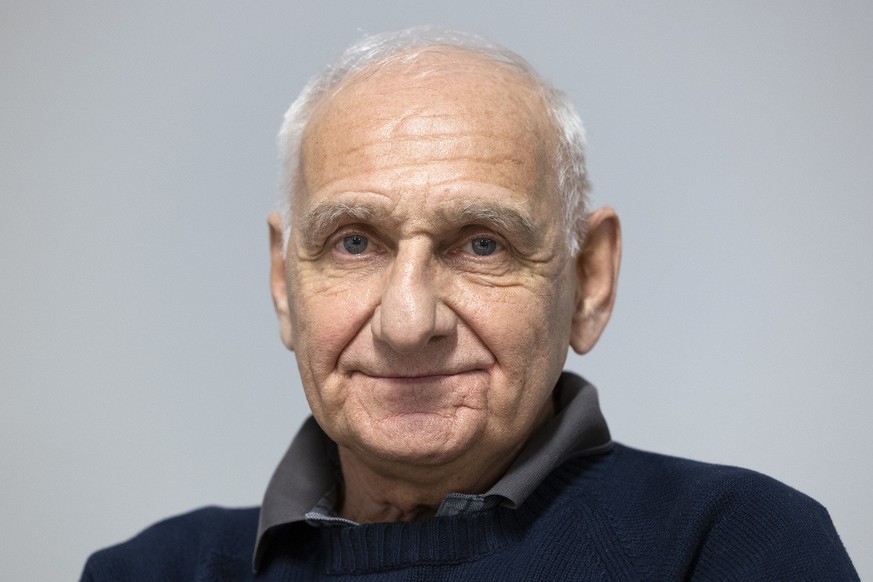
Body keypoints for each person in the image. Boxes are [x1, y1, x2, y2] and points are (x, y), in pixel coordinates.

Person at [80, 27, 857, 581]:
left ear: (589, 282)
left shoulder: (727, 545)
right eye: (354, 242)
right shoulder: (150, 570)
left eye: (480, 243)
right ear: (286, 285)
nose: (408, 324)